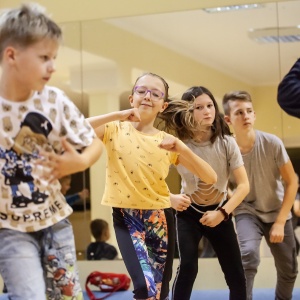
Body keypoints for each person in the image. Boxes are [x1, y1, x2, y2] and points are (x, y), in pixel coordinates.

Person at [0, 4, 103, 300]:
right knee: (29, 295)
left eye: (54, 58)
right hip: (10, 230)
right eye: (44, 57)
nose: (52, 66)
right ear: (12, 56)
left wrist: (81, 161)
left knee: (67, 297)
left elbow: (94, 141)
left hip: (55, 223)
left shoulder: (54, 100)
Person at [87, 72, 217, 300]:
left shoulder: (167, 142)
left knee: (159, 290)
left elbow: (211, 177)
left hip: (160, 218)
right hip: (126, 218)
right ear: (131, 98)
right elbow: (73, 128)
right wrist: (117, 115)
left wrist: (183, 149)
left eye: (155, 94)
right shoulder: (113, 129)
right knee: (143, 285)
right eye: (141, 91)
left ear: (163, 105)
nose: (147, 96)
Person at [160, 86, 249, 300]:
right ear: (188, 113)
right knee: (188, 266)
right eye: (199, 107)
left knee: (236, 273)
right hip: (188, 213)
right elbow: (152, 178)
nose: (207, 111)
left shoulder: (227, 143)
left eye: (210, 105)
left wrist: (222, 214)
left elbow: (244, 186)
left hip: (221, 212)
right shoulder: (178, 145)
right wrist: (171, 198)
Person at [222, 90, 298, 300]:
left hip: (277, 211)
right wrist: (233, 200)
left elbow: (292, 182)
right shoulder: (225, 148)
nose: (245, 116)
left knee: (290, 269)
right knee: (248, 256)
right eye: (239, 113)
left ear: (254, 115)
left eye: (249, 111)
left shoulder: (272, 143)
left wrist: (281, 221)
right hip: (247, 211)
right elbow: (219, 183)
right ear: (228, 119)